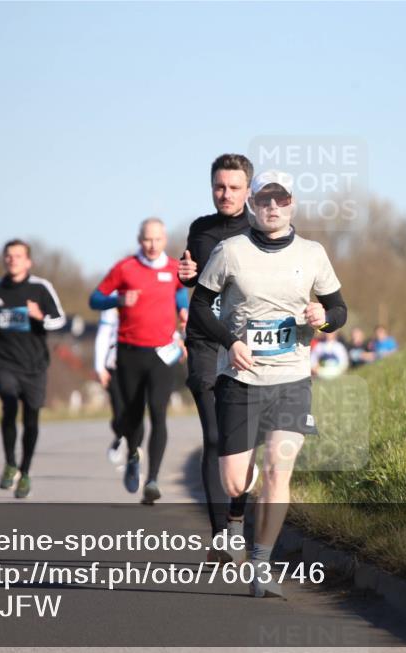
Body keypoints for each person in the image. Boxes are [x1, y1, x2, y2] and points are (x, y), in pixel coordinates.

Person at [190, 170, 347, 597]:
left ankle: (261, 563)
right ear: (253, 205)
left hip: (292, 379)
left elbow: (338, 307)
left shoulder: (313, 253)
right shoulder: (230, 251)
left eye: (280, 199)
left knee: (281, 471)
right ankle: (237, 516)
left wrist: (325, 318)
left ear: (292, 203)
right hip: (240, 379)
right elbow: (199, 308)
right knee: (235, 482)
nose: (272, 207)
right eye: (264, 200)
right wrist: (230, 341)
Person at [178, 153, 256, 561]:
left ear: (248, 190)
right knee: (213, 435)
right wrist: (185, 277)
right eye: (219, 186)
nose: (225, 194)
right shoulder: (200, 229)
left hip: (246, 343)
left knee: (239, 441)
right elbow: (190, 276)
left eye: (233, 187)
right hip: (206, 340)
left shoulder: (260, 229)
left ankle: (238, 516)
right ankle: (221, 537)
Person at [90, 218, 186, 504]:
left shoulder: (173, 268)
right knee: (132, 416)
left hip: (162, 353)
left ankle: (153, 479)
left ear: (165, 240)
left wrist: (183, 311)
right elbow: (95, 299)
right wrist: (117, 300)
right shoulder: (125, 268)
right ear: (139, 239)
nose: (152, 245)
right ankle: (133, 454)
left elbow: (180, 292)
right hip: (130, 352)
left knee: (158, 412)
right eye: (147, 239)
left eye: (157, 239)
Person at [0, 239, 66, 499]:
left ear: (28, 261)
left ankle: (25, 472)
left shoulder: (40, 288)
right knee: (9, 404)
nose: (12, 259)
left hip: (35, 365)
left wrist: (39, 317)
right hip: (5, 362)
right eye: (8, 255)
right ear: (4, 260)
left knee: (31, 418)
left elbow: (60, 320)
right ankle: (10, 463)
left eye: (18, 255)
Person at [92, 288, 189, 464]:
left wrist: (178, 342)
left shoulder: (149, 297)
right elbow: (103, 335)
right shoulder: (114, 301)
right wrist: (100, 368)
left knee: (138, 410)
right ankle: (120, 435)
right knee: (120, 412)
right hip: (116, 365)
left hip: (143, 363)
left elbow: (160, 327)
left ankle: (134, 449)